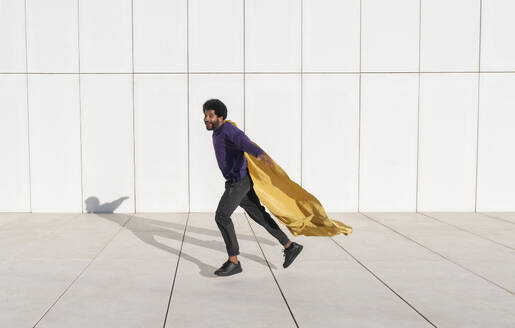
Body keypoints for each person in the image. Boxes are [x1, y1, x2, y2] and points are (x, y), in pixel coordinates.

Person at [203, 99, 303, 277]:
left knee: (221, 216)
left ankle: (233, 261)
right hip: (239, 181)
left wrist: (259, 154)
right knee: (260, 216)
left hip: (238, 183)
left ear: (220, 117)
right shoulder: (218, 131)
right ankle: (290, 246)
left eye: (210, 115)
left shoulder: (228, 130)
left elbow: (243, 142)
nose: (206, 119)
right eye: (205, 115)